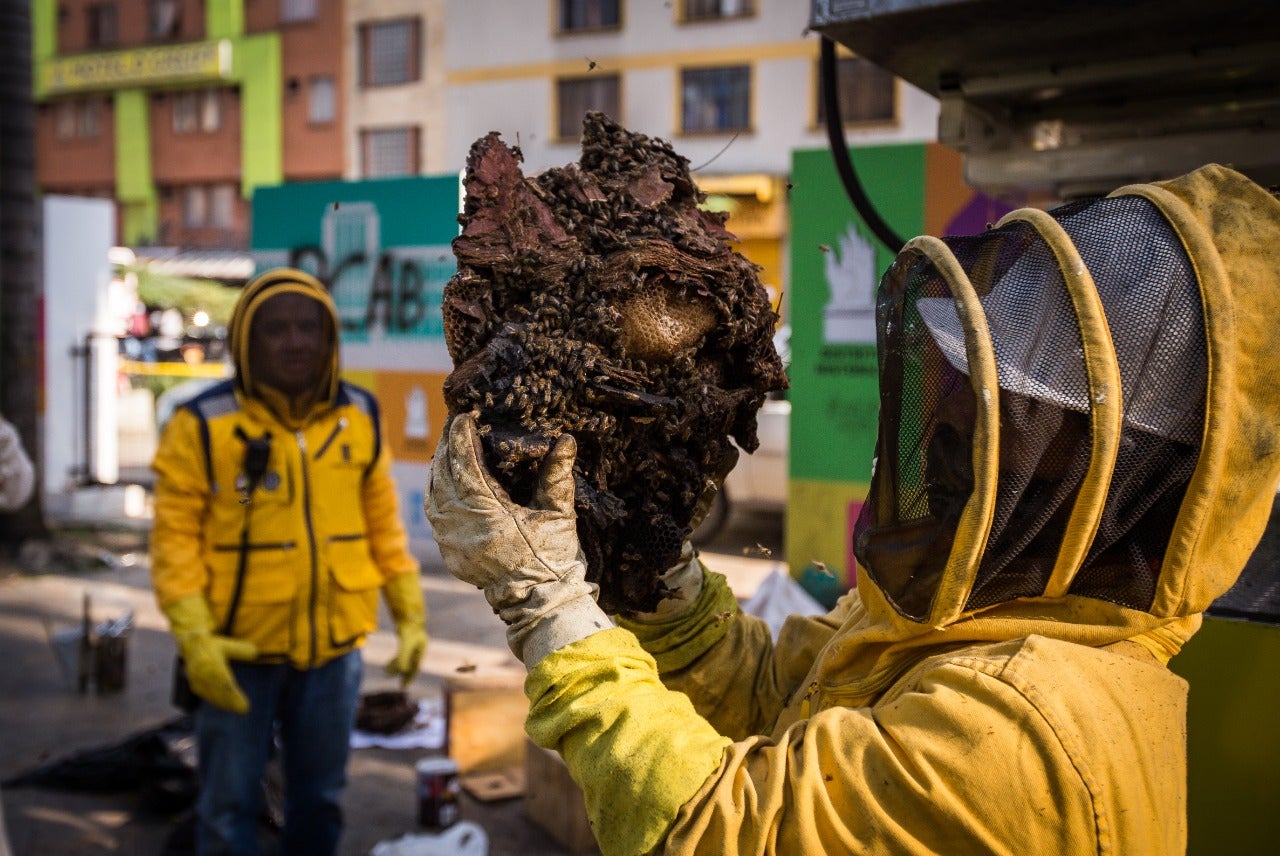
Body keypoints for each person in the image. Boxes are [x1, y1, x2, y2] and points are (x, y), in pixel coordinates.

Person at [426, 163, 1280, 854]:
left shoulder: (1035, 731)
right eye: (962, 387)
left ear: (1119, 469)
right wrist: (663, 574)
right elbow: (774, 700)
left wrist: (549, 606)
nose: (946, 424)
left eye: (1012, 411)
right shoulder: (963, 623)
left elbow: (723, 830)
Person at [150, 268, 428, 856]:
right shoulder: (202, 424)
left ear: (330, 339)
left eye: (309, 328)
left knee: (321, 798)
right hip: (236, 651)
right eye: (276, 329)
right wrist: (195, 639)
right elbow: (174, 541)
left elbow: (381, 521)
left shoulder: (360, 413)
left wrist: (409, 614)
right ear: (246, 342)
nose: (296, 341)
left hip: (333, 651)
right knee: (228, 807)